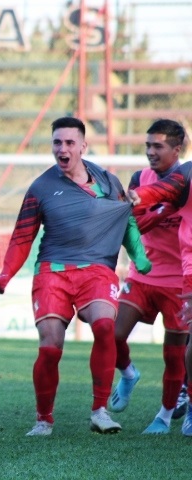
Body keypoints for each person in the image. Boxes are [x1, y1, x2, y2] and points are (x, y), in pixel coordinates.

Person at [0, 116, 150, 437]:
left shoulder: (108, 182)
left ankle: (100, 411)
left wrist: (140, 258)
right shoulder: (41, 187)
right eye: (56, 143)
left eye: (68, 143)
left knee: (105, 326)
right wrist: (6, 273)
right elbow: (23, 237)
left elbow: (126, 222)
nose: (62, 149)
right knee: (51, 347)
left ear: (82, 146)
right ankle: (44, 420)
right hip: (53, 271)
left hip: (97, 270)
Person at [108, 119, 187, 434]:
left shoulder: (189, 180)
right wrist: (162, 212)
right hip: (143, 276)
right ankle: (128, 374)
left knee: (174, 355)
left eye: (158, 146)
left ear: (176, 149)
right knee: (111, 335)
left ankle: (165, 417)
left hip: (179, 281)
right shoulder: (140, 178)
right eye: (148, 146)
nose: (150, 152)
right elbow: (132, 227)